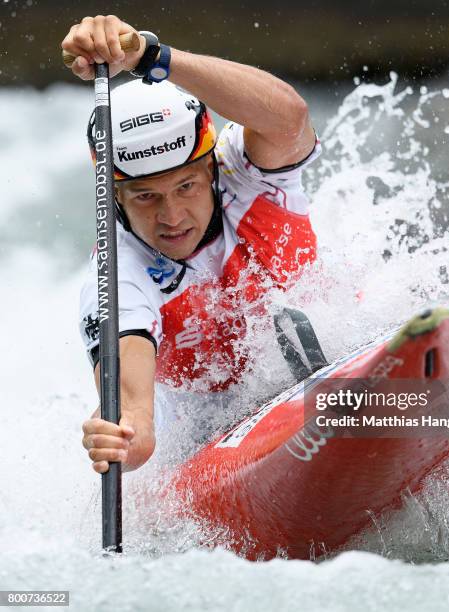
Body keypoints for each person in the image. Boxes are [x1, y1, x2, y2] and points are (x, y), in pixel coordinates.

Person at [61, 15, 321, 474]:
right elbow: (131, 405)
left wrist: (152, 56)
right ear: (114, 200)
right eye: (145, 197)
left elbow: (291, 118)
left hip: (337, 354)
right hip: (213, 431)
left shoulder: (244, 171)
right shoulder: (116, 276)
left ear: (212, 169)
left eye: (186, 187)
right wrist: (127, 434)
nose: (172, 216)